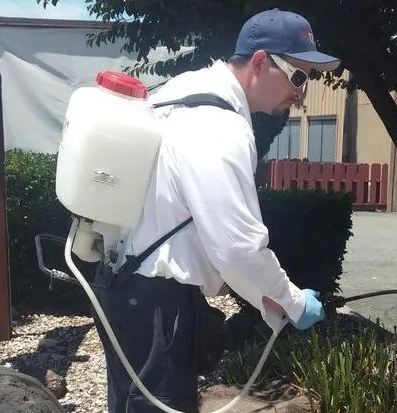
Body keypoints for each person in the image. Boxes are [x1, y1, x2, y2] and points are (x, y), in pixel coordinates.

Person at [91, 8, 341, 413]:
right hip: (157, 300)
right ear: (260, 62)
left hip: (125, 285)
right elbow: (237, 248)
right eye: (298, 77)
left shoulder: (184, 90)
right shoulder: (218, 127)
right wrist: (293, 302)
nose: (301, 92)